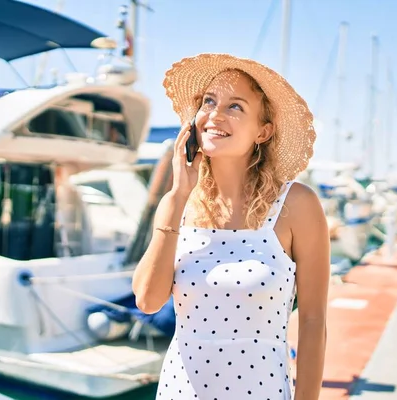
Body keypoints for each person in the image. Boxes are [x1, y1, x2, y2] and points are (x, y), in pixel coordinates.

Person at [132, 53, 329, 399]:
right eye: (209, 101)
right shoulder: (178, 203)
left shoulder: (297, 205)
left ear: (263, 131)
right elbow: (147, 300)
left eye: (235, 106)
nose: (215, 115)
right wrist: (178, 195)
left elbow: (313, 322)